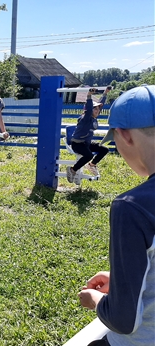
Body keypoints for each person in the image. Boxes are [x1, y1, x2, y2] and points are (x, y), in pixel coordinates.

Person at [77, 85, 155, 346]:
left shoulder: (132, 207)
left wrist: (97, 300)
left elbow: (123, 319)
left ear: (124, 135)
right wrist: (125, 280)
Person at [66, 86, 111, 184]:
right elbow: (89, 108)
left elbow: (101, 105)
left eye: (98, 110)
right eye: (95, 110)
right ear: (89, 111)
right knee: (89, 155)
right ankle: (72, 170)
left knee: (104, 149)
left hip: (86, 143)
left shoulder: (94, 117)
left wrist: (105, 93)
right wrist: (89, 96)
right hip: (77, 144)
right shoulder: (85, 118)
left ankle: (92, 165)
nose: (97, 111)